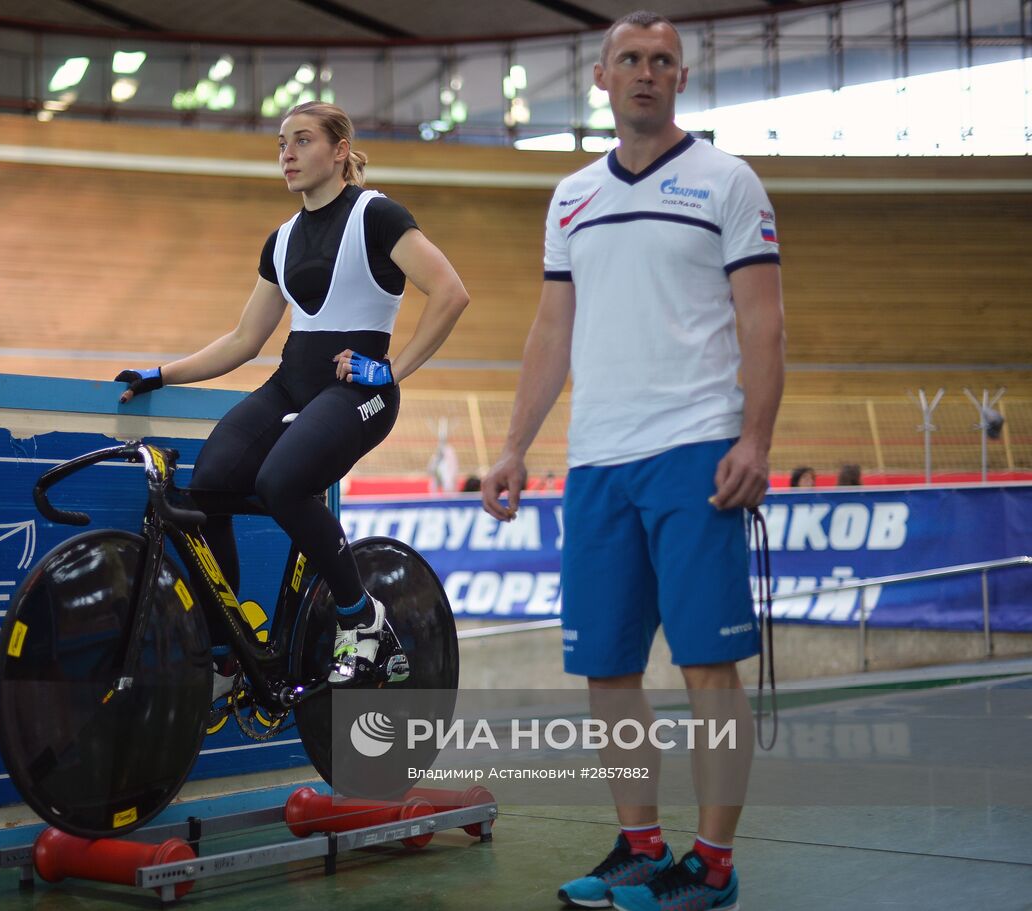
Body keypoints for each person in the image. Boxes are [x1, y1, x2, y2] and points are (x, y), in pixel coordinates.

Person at [480, 11, 783, 911]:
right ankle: (641, 849)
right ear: (603, 79)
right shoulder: (571, 194)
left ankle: (713, 867)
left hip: (697, 452)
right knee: (606, 666)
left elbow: (763, 320)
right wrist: (512, 445)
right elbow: (551, 329)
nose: (647, 73)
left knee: (706, 668)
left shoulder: (727, 181)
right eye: (631, 61)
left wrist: (755, 437)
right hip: (598, 462)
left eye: (663, 61)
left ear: (681, 80)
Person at [116, 101, 470, 688]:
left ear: (338, 151)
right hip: (292, 383)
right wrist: (161, 373)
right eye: (282, 143)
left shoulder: (376, 215)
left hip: (358, 392)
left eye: (302, 141)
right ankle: (230, 645)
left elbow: (451, 293)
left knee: (280, 482)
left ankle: (364, 620)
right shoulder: (279, 241)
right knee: (208, 485)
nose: (287, 154)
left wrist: (391, 371)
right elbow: (244, 339)